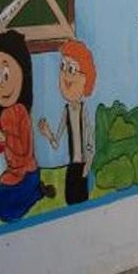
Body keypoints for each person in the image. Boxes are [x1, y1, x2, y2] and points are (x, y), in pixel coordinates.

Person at [0, 30, 55, 223]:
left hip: (27, 174)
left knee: (7, 214)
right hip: (12, 175)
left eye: (6, 74)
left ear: (23, 73)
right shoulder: (4, 115)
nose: (2, 84)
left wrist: (6, 139)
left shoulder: (21, 112)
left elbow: (23, 150)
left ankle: (36, 192)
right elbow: (1, 148)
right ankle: (31, 192)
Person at [39, 40, 97, 206]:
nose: (65, 75)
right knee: (71, 201)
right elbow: (57, 142)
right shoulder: (66, 111)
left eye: (71, 69)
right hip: (72, 167)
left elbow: (90, 142)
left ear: (85, 79)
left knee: (82, 203)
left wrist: (88, 166)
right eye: (63, 67)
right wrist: (48, 133)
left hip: (82, 167)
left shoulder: (83, 111)